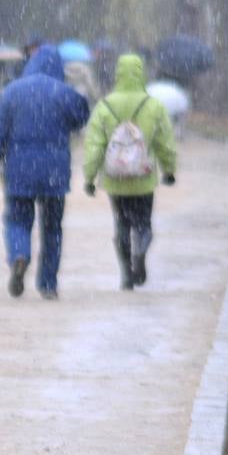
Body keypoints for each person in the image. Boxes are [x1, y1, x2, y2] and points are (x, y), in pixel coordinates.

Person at [0, 44, 91, 299]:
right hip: (54, 172)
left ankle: (19, 254)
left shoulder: (12, 92)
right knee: (52, 228)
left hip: (20, 171)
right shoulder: (64, 93)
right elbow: (81, 117)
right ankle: (48, 283)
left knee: (17, 220)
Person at [82, 53, 178, 290]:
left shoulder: (105, 106)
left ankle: (126, 275)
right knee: (144, 224)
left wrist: (90, 177)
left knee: (122, 225)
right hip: (143, 177)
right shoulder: (153, 105)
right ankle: (141, 252)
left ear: (118, 75)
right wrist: (169, 169)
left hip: (115, 179)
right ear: (141, 74)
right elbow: (164, 142)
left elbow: (94, 145)